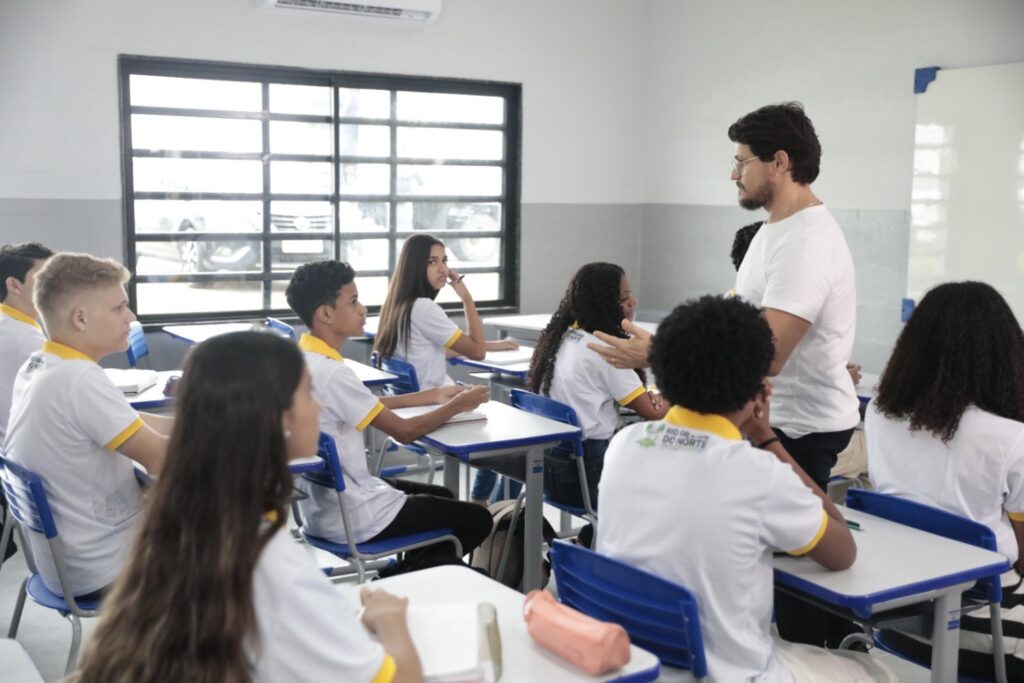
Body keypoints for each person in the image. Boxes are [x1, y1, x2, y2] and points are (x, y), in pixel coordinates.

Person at [71, 331, 424, 683]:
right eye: (307, 394)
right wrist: (389, 619)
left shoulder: (185, 515)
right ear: (279, 419)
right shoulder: (273, 563)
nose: (317, 407)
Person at [598, 295, 894, 682]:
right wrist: (766, 436)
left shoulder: (625, 445)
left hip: (639, 662)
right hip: (730, 674)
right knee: (875, 671)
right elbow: (843, 552)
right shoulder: (757, 473)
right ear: (758, 386)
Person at [287, 260, 493, 574]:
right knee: (477, 519)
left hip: (319, 508)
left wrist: (432, 396)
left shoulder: (302, 359)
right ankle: (402, 576)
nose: (363, 309)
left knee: (442, 496)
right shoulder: (333, 373)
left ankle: (419, 569)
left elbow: (365, 404)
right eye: (353, 302)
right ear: (325, 314)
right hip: (354, 516)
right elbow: (405, 432)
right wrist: (458, 405)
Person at [866, 281, 1024, 680]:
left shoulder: (879, 416)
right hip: (988, 624)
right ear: (1006, 353)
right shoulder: (1010, 439)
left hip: (895, 613)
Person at [3, 253, 170, 598]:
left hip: (63, 565)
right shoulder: (78, 378)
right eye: (119, 307)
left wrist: (200, 423)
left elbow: (132, 421)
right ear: (80, 318)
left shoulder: (43, 364)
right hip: (103, 569)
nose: (131, 317)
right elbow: (161, 458)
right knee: (239, 552)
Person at [526, 262, 666, 545]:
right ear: (604, 304)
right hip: (587, 478)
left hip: (550, 475)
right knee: (658, 489)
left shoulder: (563, 337)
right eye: (624, 297)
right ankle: (596, 543)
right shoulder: (607, 353)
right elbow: (655, 413)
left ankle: (587, 541)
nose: (633, 302)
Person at [374, 233, 516, 505]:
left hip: (412, 411)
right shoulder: (424, 307)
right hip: (435, 410)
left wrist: (493, 345)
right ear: (415, 266)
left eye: (444, 260)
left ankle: (484, 506)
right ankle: (487, 509)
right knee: (514, 445)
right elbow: (476, 351)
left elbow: (441, 348)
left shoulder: (396, 305)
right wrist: (467, 298)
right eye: (432, 262)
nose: (443, 269)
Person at [0, 241, 53, 561]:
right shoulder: (25, 336)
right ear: (14, 284)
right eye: (43, 278)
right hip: (23, 463)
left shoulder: (12, 324)